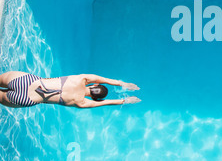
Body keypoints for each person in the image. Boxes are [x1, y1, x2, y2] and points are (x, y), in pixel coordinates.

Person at [0, 71, 141, 109]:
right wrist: (124, 100)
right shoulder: (81, 102)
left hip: (28, 82)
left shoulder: (82, 79)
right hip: (27, 99)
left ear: (93, 85)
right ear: (94, 97)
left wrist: (122, 84)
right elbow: (104, 103)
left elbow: (102, 79)